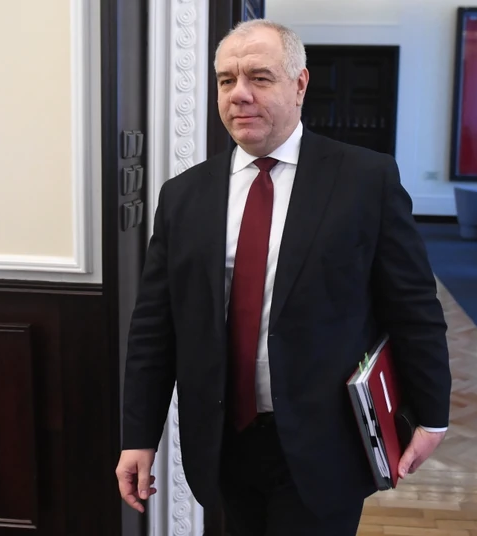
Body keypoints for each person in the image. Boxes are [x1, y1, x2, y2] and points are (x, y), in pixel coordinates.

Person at [115, 18, 451, 536]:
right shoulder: (183, 196)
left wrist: (431, 415)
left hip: (327, 443)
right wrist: (139, 435)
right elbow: (154, 328)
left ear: (300, 84)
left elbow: (414, 308)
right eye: (226, 80)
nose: (239, 94)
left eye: (259, 77)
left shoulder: (365, 180)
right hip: (223, 443)